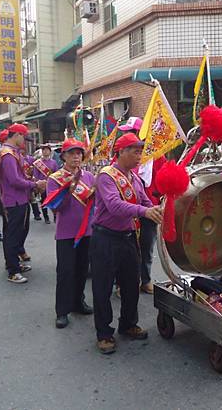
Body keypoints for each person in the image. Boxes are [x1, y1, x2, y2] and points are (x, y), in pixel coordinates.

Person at [89, 133, 163, 354]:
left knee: (132, 284)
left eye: (141, 151)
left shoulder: (134, 178)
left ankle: (128, 323)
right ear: (121, 152)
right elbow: (114, 205)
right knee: (102, 287)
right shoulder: (106, 176)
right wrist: (145, 211)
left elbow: (144, 201)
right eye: (135, 151)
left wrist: (157, 209)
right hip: (105, 238)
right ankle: (104, 333)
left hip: (128, 238)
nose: (139, 156)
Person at [47, 139, 94, 329]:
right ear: (64, 156)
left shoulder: (89, 176)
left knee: (82, 269)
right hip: (66, 233)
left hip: (87, 231)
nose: (76, 156)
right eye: (72, 153)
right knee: (65, 272)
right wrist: (69, 190)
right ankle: (62, 311)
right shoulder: (55, 179)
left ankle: (78, 302)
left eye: (79, 153)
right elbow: (55, 207)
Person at [119, 116, 166, 295]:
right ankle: (121, 282)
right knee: (125, 249)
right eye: (126, 133)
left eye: (131, 132)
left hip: (149, 210)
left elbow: (163, 180)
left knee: (147, 247)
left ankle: (145, 280)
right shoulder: (121, 157)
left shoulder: (157, 155)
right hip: (125, 210)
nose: (127, 136)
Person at [0, 123, 46, 284]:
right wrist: (35, 185)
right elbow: (14, 180)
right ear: (17, 135)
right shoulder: (8, 155)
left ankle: (15, 263)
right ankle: (12, 270)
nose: (24, 142)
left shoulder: (13, 153)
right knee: (12, 235)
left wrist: (32, 181)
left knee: (18, 233)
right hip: (14, 200)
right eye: (24, 138)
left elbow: (20, 176)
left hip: (19, 199)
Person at [33, 144, 58, 224]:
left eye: (47, 150)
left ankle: (55, 216)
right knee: (43, 202)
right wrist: (37, 185)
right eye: (43, 150)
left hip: (51, 185)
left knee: (53, 201)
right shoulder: (38, 163)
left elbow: (57, 173)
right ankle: (46, 217)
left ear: (50, 152)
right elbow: (35, 175)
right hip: (42, 185)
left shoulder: (53, 162)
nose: (45, 151)